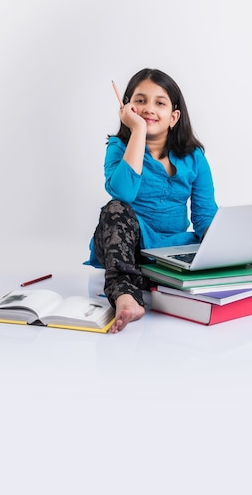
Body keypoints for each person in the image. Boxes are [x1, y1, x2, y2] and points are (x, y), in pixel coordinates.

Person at [85, 67, 218, 333]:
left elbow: (204, 218)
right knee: (115, 209)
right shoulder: (118, 147)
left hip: (168, 250)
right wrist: (137, 131)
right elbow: (123, 193)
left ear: (174, 117)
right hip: (123, 245)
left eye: (160, 103)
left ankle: (151, 280)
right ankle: (125, 297)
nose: (148, 108)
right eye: (140, 101)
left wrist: (229, 247)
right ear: (126, 108)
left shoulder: (194, 157)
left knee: (209, 243)